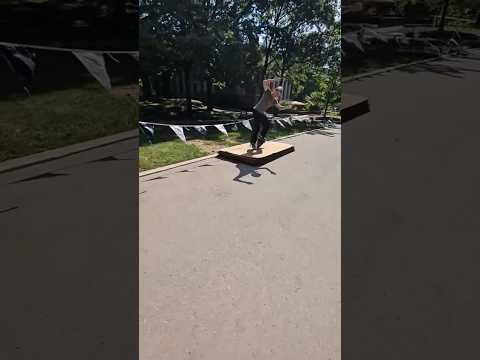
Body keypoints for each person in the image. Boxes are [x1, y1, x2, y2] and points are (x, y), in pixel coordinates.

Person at [250, 79, 286, 149]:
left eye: (279, 93)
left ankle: (259, 140)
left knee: (263, 126)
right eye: (277, 92)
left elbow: (280, 108)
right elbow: (264, 82)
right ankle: (254, 142)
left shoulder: (274, 100)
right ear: (275, 90)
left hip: (261, 112)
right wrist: (272, 80)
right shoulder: (268, 92)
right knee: (259, 127)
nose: (277, 94)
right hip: (256, 110)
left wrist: (288, 106)